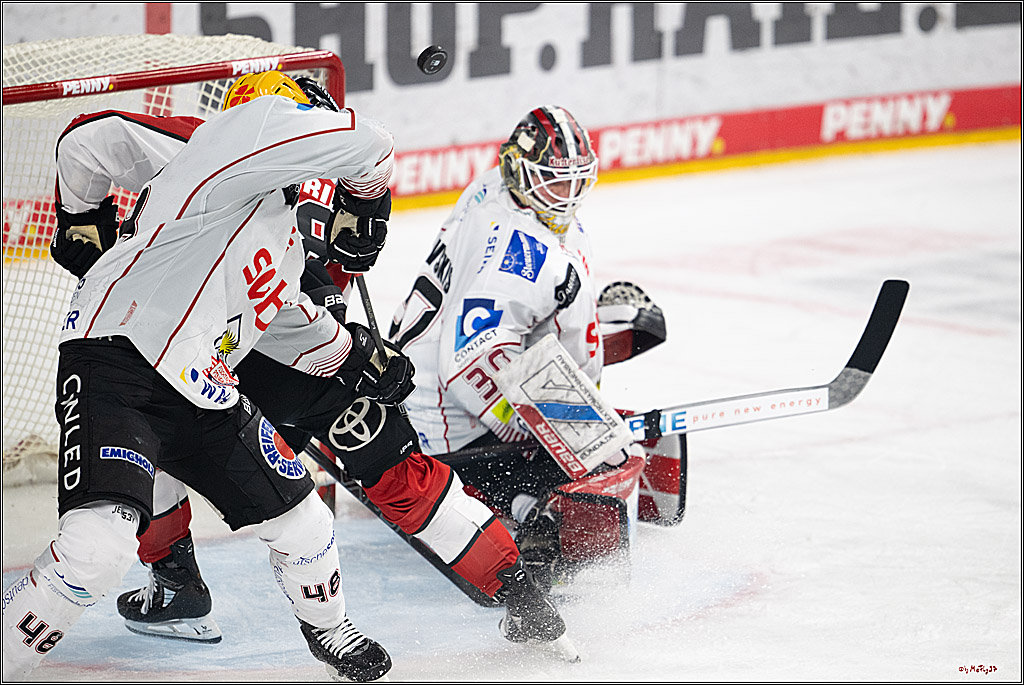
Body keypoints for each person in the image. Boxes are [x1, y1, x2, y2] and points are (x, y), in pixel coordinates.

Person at [28, 73, 575, 665]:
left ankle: (177, 582)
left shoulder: (248, 159)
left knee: (159, 450)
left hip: (254, 349)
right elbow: (339, 248)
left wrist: (81, 216)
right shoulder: (242, 153)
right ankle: (523, 596)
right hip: (293, 348)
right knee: (393, 475)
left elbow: (90, 137)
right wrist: (360, 329)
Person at [2, 70, 407, 682]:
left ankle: (330, 630)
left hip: (200, 383)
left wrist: (358, 359)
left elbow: (284, 320)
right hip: (118, 362)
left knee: (306, 521)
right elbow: (369, 140)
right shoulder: (243, 132)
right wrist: (366, 201)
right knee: (96, 550)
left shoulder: (275, 227)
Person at [389, 105, 666, 586]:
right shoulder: (520, 253)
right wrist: (533, 429)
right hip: (439, 418)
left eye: (577, 180)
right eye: (554, 182)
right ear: (520, 170)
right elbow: (467, 364)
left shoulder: (496, 189)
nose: (569, 194)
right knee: (602, 463)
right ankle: (519, 503)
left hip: (410, 375)